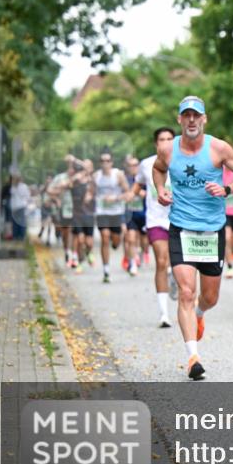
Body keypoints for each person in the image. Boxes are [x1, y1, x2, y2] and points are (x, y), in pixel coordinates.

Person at [154, 98, 233, 380]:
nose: (192, 120)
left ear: (204, 119)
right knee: (185, 291)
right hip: (181, 227)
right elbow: (158, 170)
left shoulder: (218, 148)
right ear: (180, 120)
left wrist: (226, 188)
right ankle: (193, 357)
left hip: (212, 230)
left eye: (196, 115)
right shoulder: (168, 150)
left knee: (210, 297)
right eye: (186, 116)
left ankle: (199, 313)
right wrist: (161, 190)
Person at [132, 127, 178, 328]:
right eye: (162, 139)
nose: (166, 142)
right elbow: (137, 186)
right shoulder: (147, 164)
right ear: (156, 143)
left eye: (170, 139)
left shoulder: (184, 161)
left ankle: (173, 276)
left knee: (178, 264)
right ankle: (164, 313)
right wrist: (134, 195)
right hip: (156, 220)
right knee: (161, 259)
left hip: (180, 220)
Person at [88, 152, 130, 283]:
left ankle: (116, 241)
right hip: (102, 212)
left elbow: (128, 192)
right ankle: (106, 270)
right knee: (105, 237)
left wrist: (116, 198)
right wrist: (88, 197)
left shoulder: (118, 175)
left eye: (107, 161)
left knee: (116, 242)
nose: (105, 163)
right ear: (100, 163)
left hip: (116, 212)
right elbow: (91, 191)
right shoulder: (96, 176)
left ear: (112, 162)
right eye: (102, 161)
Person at [48, 160, 77, 266]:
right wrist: (57, 197)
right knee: (66, 232)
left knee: (75, 232)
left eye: (74, 167)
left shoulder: (79, 178)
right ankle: (67, 251)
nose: (72, 169)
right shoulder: (60, 178)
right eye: (70, 166)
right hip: (64, 209)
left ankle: (74, 255)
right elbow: (49, 190)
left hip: (77, 210)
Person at [123, 155, 147, 276]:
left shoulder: (145, 179)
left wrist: (144, 193)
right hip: (130, 214)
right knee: (131, 239)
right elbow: (120, 196)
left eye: (135, 165)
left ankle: (141, 255)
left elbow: (155, 194)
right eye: (131, 165)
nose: (133, 167)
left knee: (144, 241)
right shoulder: (125, 180)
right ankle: (132, 264)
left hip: (144, 214)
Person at [9, 172, 31, 240]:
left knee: (17, 222)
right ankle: (19, 236)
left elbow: (27, 196)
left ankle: (18, 236)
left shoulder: (18, 186)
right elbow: (28, 196)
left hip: (18, 207)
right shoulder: (15, 186)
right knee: (19, 222)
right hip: (18, 206)